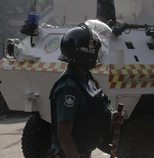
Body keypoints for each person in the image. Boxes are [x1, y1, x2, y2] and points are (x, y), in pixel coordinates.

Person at [49, 21, 124, 158]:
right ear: (86, 53)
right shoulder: (69, 87)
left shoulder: (82, 81)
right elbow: (64, 134)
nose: (97, 56)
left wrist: (111, 117)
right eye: (95, 51)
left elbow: (86, 114)